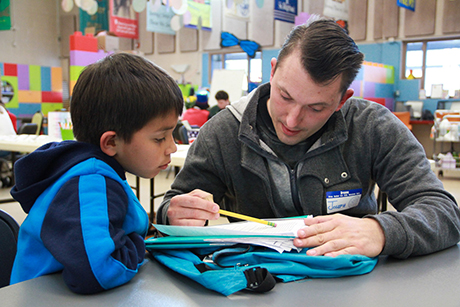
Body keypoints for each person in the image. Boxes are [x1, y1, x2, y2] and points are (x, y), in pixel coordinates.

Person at [157, 16, 460, 259]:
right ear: (273, 71)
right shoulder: (222, 133)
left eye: (316, 108)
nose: (292, 120)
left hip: (352, 283)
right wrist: (174, 213)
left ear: (343, 100)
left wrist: (380, 231)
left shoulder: (373, 128)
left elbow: (444, 212)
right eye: (285, 96)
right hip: (256, 282)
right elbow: (172, 207)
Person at [9, 53, 184, 293]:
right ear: (111, 142)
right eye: (159, 138)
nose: (172, 147)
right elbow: (97, 271)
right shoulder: (88, 182)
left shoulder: (96, 172)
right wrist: (141, 245)